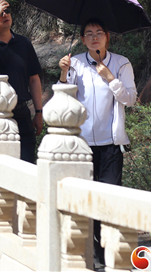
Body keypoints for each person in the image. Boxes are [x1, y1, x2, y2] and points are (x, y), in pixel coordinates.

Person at [58, 18, 136, 267]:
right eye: (89, 34)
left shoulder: (121, 63)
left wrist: (110, 77)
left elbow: (130, 99)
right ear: (82, 39)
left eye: (99, 33)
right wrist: (63, 73)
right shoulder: (75, 62)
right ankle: (92, 252)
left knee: (109, 198)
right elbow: (63, 98)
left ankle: (109, 251)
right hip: (81, 145)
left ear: (107, 37)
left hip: (111, 144)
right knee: (85, 199)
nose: (94, 37)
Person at [0, 0, 43, 163]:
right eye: (0, 13)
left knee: (27, 161)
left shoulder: (24, 43)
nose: (5, 15)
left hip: (22, 112)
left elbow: (34, 79)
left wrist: (39, 112)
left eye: (7, 11)